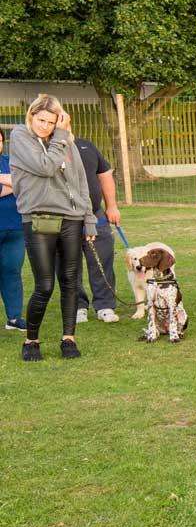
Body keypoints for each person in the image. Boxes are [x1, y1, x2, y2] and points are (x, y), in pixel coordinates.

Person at [9, 94, 97, 361]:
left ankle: (68, 339)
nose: (45, 126)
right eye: (41, 120)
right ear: (31, 116)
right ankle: (31, 341)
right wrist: (60, 136)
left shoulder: (65, 141)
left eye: (51, 122)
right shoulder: (20, 136)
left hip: (71, 217)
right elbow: (45, 167)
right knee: (44, 285)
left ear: (59, 120)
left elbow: (81, 182)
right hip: (38, 217)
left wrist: (89, 219)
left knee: (70, 281)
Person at [55, 127, 122, 324]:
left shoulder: (86, 146)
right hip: (64, 217)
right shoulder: (47, 150)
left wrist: (112, 206)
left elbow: (105, 175)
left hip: (95, 213)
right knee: (68, 264)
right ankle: (77, 307)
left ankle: (105, 306)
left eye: (65, 122)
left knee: (103, 261)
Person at [0, 128, 26, 331]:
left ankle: (14, 318)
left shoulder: (12, 161)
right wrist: (11, 182)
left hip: (16, 228)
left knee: (12, 271)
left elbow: (25, 183)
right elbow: (16, 184)